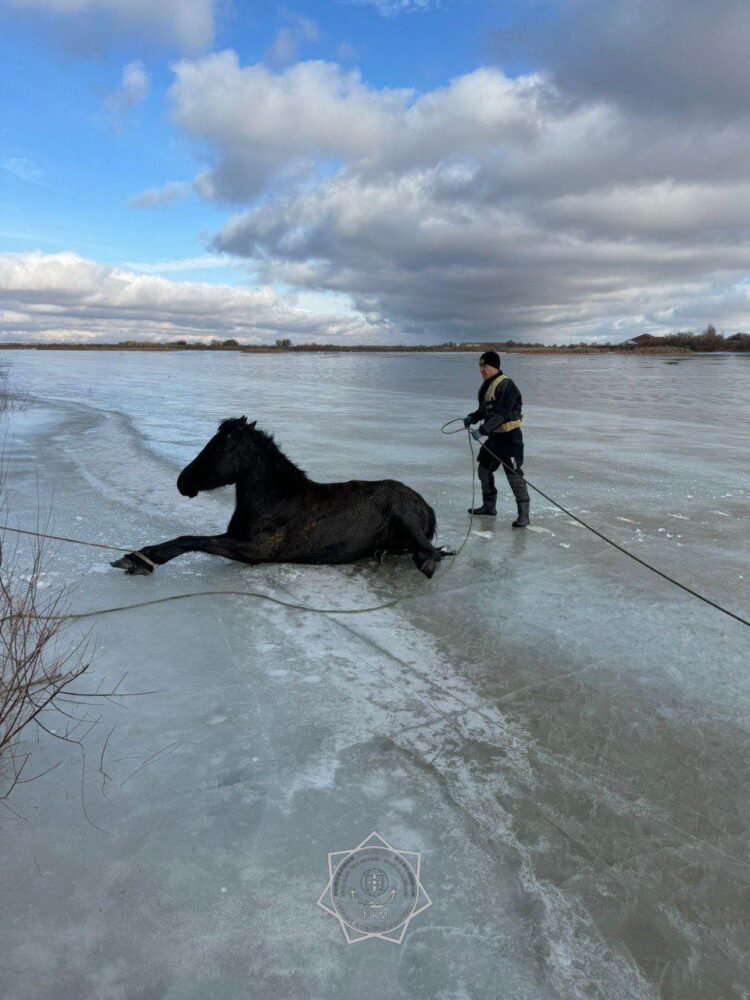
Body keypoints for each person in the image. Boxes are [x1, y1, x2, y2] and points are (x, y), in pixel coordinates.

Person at [463, 350, 530, 527]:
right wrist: (472, 417)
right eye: (480, 366)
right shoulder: (486, 386)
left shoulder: (507, 385)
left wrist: (482, 430)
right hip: (494, 438)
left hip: (510, 439)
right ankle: (489, 506)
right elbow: (484, 411)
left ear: (494, 366)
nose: (481, 370)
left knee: (514, 476)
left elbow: (501, 414)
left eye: (484, 366)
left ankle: (524, 515)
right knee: (483, 471)